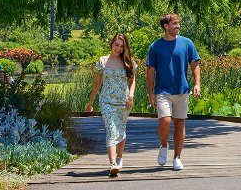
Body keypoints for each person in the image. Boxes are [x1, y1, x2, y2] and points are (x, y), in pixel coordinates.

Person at [146, 13, 201, 172]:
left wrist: (197, 84)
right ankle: (164, 145)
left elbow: (195, 64)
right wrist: (151, 93)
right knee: (165, 121)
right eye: (175, 24)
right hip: (162, 91)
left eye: (178, 24)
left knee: (180, 123)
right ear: (166, 26)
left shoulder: (187, 43)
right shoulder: (155, 46)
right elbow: (150, 71)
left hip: (182, 90)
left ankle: (177, 157)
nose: (178, 26)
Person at [86, 34, 137, 177]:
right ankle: (113, 164)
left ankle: (120, 157)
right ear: (111, 44)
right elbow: (97, 83)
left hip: (124, 101)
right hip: (106, 101)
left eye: (121, 46)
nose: (119, 49)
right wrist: (90, 102)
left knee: (121, 129)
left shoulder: (128, 61)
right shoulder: (102, 61)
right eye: (116, 45)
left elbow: (133, 81)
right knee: (111, 130)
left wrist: (131, 97)